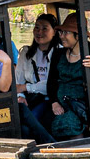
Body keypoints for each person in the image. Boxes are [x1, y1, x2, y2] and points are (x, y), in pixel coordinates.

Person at [48, 13, 90, 140]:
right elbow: (51, 82)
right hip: (61, 103)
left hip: (81, 105)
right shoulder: (58, 54)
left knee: (71, 122)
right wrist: (54, 102)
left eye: (66, 33)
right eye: (61, 32)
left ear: (78, 36)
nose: (62, 36)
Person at [13, 13, 60, 143]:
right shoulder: (26, 53)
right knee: (24, 126)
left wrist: (27, 87)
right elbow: (18, 82)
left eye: (45, 28)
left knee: (28, 123)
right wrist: (21, 95)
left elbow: (52, 85)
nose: (39, 32)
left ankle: (51, 144)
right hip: (32, 100)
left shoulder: (59, 52)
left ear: (54, 32)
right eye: (37, 28)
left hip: (53, 100)